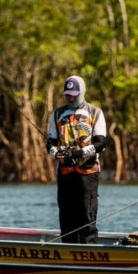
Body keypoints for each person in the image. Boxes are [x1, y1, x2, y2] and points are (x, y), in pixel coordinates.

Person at [46, 75, 108, 244]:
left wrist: (79, 153)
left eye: (74, 94)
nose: (70, 98)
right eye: (67, 95)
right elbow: (50, 143)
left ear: (82, 92)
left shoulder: (95, 112)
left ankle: (89, 250)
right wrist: (56, 154)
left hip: (87, 173)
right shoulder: (57, 114)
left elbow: (101, 144)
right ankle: (68, 249)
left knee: (87, 216)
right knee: (66, 218)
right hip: (65, 173)